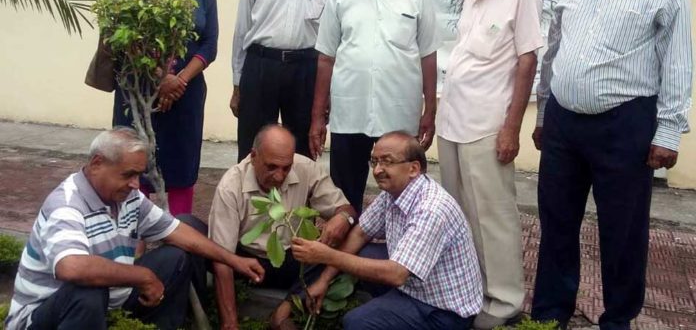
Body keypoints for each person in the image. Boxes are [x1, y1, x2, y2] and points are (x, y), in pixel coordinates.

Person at [531, 0, 693, 329]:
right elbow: (554, 52)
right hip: (564, 123)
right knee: (556, 223)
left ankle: (618, 319)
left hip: (625, 125)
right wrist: (545, 114)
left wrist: (668, 133)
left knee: (622, 232)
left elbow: (677, 59)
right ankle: (550, 315)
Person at [4, 127, 264, 330]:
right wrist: (143, 277)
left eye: (139, 175)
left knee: (175, 257)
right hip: (43, 316)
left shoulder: (128, 197)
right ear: (97, 164)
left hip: (108, 301)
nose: (136, 184)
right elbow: (71, 267)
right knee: (86, 293)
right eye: (128, 174)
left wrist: (234, 260)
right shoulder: (67, 204)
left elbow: (177, 232)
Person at [436, 0, 543, 330]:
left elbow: (527, 59)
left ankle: (504, 303)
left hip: (487, 126)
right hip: (453, 123)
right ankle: (470, 291)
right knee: (460, 215)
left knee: (492, 216)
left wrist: (511, 128)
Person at [309, 0, 440, 214]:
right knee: (343, 195)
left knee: (404, 195)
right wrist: (317, 116)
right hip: (348, 113)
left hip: (398, 113)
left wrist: (430, 109)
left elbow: (428, 54)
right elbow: (326, 57)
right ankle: (342, 259)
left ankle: (401, 256)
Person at [292, 131, 482, 329]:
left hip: (442, 312)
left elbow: (396, 274)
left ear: (413, 168)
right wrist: (324, 280)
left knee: (357, 323)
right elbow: (361, 232)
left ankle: (392, 312)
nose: (377, 170)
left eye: (387, 162)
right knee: (364, 251)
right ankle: (391, 307)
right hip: (417, 286)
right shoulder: (393, 193)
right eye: (374, 161)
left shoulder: (431, 209)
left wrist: (327, 256)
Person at [112, 0, 218, 215]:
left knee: (181, 164)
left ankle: (178, 238)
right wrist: (160, 79)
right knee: (135, 158)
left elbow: (210, 45)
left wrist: (178, 81)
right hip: (140, 92)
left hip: (186, 97)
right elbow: (126, 36)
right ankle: (134, 239)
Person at [208, 124, 357, 330]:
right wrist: (230, 323)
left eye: (286, 168)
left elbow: (347, 210)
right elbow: (222, 257)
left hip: (294, 259)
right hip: (248, 264)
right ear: (253, 156)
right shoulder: (231, 185)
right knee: (200, 246)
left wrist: (343, 218)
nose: (279, 176)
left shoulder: (306, 168)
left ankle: (283, 313)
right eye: (271, 167)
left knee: (349, 241)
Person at [230, 0, 338, 163]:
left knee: (302, 151)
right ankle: (249, 205)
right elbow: (242, 28)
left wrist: (327, 92)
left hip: (305, 70)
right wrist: (237, 82)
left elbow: (332, 37)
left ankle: (297, 205)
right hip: (261, 65)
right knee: (251, 148)